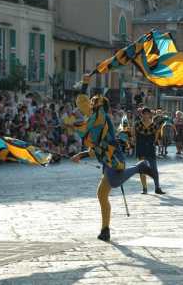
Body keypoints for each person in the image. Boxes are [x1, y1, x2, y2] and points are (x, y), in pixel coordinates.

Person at [71, 75, 156, 242]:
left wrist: (85, 85)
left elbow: (82, 105)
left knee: (112, 185)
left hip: (113, 158)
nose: (89, 105)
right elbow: (97, 146)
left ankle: (139, 167)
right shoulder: (97, 118)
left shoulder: (100, 117)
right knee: (102, 194)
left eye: (93, 103)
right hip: (108, 159)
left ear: (99, 105)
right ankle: (105, 230)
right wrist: (81, 154)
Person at [134, 107, 166, 195]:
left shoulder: (154, 125)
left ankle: (157, 187)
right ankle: (144, 188)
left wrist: (156, 143)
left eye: (148, 113)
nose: (146, 115)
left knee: (154, 169)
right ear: (142, 114)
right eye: (144, 113)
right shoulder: (137, 124)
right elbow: (134, 136)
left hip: (150, 148)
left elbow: (157, 136)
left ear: (150, 114)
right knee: (141, 169)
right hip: (141, 147)